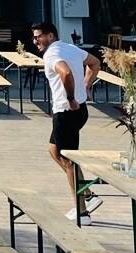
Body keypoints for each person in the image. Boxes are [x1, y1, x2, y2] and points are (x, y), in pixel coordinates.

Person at [31, 20, 103, 223]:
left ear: (50, 36)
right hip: (79, 111)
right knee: (54, 151)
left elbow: (66, 73)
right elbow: (95, 63)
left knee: (69, 161)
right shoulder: (70, 48)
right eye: (34, 37)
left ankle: (82, 212)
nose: (35, 41)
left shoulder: (52, 54)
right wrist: (86, 87)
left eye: (38, 36)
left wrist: (71, 98)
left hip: (66, 112)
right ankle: (88, 195)